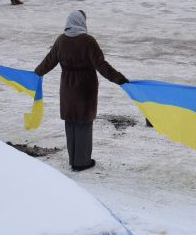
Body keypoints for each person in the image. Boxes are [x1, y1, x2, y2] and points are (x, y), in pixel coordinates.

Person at [35, 10, 129, 172]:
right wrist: (119, 78)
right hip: (85, 87)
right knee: (83, 124)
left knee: (70, 122)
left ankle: (74, 159)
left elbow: (48, 61)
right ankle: (82, 161)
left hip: (67, 87)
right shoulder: (88, 41)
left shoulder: (61, 40)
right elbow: (101, 65)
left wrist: (35, 73)